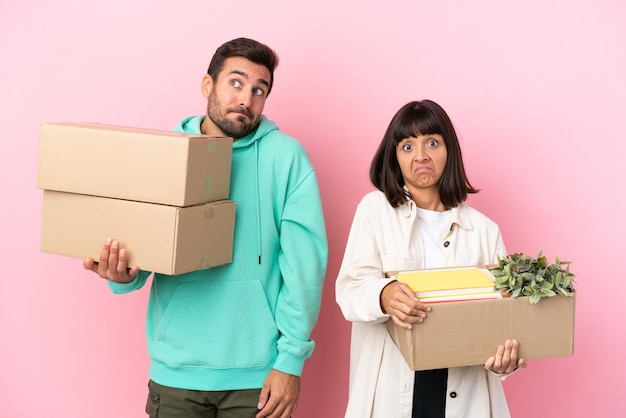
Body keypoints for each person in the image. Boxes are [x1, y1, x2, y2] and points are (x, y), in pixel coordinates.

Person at [84, 37, 328, 418]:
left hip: (259, 379)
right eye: (236, 82)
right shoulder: (166, 152)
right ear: (207, 85)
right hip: (176, 372)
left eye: (258, 89)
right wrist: (120, 274)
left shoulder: (287, 158)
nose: (246, 98)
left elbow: (305, 270)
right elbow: (142, 259)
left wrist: (290, 362)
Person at [335, 100, 526, 418]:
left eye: (432, 143)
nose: (420, 156)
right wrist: (383, 294)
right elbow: (349, 292)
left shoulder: (484, 230)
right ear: (395, 158)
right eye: (407, 146)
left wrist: (503, 362)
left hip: (463, 391)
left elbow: (502, 320)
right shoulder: (375, 210)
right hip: (391, 388)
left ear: (449, 151)